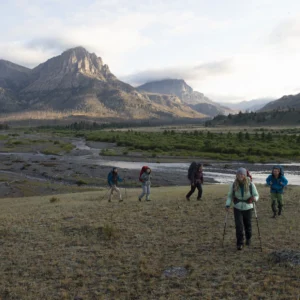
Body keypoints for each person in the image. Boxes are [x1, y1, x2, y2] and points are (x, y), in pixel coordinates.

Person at [225, 167, 259, 250]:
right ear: (236, 175)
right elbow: (230, 196)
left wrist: (255, 198)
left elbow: (256, 195)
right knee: (239, 226)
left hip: (248, 207)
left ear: (245, 175)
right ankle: (239, 243)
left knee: (248, 225)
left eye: (242, 174)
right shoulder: (233, 184)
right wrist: (227, 205)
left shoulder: (251, 184)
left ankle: (248, 238)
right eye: (239, 174)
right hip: (237, 207)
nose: (240, 176)